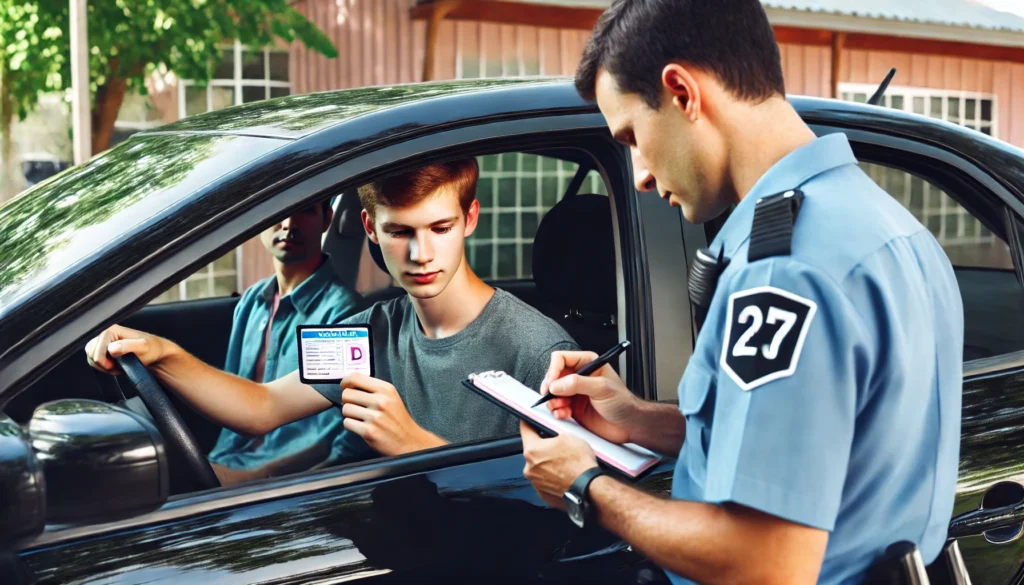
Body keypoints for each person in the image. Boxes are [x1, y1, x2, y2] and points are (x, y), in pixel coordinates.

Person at [519, 2, 964, 585]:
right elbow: (818, 447)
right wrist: (637, 421)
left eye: (632, 136)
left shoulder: (785, 272)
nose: (640, 175)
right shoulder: (892, 229)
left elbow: (766, 562)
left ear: (682, 93)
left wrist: (585, 486)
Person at [85, 158, 578, 475]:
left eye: (441, 227)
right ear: (370, 228)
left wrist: (414, 445)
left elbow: (563, 506)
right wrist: (162, 354)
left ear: (469, 220)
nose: (421, 253)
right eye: (400, 231)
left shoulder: (538, 351)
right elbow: (262, 407)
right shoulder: (370, 331)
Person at [207, 199, 363, 485]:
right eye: (279, 211)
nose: (289, 224)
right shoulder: (252, 303)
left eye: (306, 210)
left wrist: (256, 477)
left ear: (326, 219)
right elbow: (231, 398)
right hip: (224, 461)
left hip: (284, 483)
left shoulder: (341, 314)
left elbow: (339, 434)